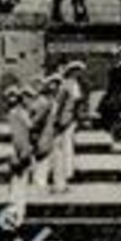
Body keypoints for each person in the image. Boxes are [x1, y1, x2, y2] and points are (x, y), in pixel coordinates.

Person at [50, 60, 86, 191]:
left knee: (64, 148)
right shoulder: (68, 85)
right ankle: (62, 179)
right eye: (75, 71)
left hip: (67, 119)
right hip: (65, 119)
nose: (77, 73)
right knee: (63, 149)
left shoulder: (69, 85)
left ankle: (63, 179)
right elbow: (61, 104)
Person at [4, 85, 36, 221]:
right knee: (18, 182)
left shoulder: (19, 114)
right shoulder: (17, 114)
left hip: (21, 151)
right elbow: (19, 136)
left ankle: (16, 213)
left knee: (18, 182)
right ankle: (17, 214)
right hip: (20, 151)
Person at [98, 46, 121, 153]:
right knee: (116, 118)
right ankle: (116, 140)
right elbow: (118, 82)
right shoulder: (118, 67)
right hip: (117, 96)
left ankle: (119, 139)